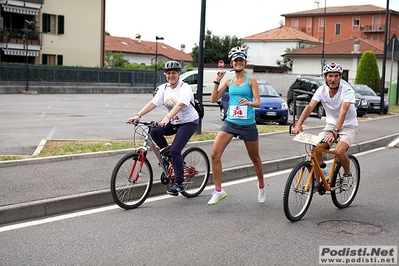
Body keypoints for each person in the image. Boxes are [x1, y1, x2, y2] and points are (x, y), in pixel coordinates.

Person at [127, 60, 199, 196]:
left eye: (174, 73)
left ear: (179, 74)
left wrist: (167, 118)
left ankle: (178, 183)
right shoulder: (164, 88)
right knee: (154, 131)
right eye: (168, 73)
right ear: (165, 74)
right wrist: (138, 115)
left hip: (189, 122)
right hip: (174, 121)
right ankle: (168, 157)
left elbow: (180, 105)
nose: (171, 75)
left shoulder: (185, 88)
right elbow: (153, 103)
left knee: (176, 150)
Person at [207, 46, 266, 205]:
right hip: (231, 122)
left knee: (255, 158)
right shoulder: (228, 81)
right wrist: (216, 81)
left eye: (241, 60)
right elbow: (213, 99)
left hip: (248, 124)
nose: (238, 63)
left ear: (245, 62)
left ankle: (261, 186)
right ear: (232, 63)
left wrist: (249, 102)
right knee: (214, 154)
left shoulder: (251, 80)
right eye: (236, 60)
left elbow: (258, 103)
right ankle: (218, 191)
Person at [292, 62, 358, 190]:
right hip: (331, 125)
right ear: (325, 77)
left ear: (340, 77)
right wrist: (298, 124)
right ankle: (319, 180)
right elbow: (310, 106)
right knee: (316, 148)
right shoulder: (321, 90)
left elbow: (343, 112)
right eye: (330, 76)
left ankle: (347, 174)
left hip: (348, 126)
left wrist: (335, 132)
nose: (333, 79)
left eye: (336, 76)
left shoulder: (348, 91)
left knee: (339, 151)